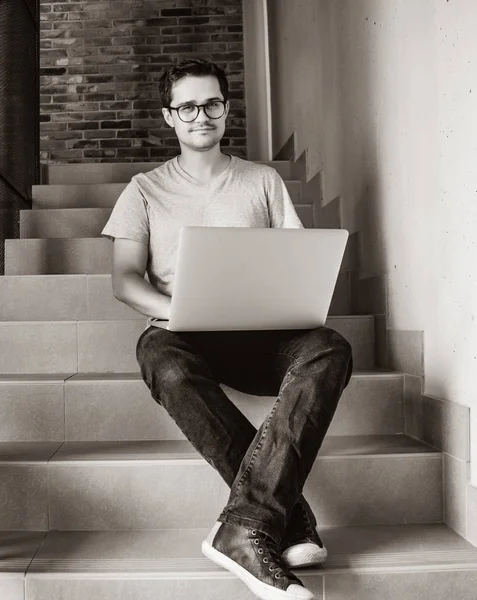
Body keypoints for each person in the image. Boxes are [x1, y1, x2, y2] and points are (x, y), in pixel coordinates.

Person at [101, 58, 353, 600]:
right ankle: (282, 518)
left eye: (211, 103)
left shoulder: (262, 180)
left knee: (329, 348)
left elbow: (296, 255)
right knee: (163, 362)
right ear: (169, 116)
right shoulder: (143, 189)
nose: (201, 115)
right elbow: (124, 280)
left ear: (226, 109)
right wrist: (181, 307)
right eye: (187, 106)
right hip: (182, 330)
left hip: (260, 333)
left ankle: (247, 526)